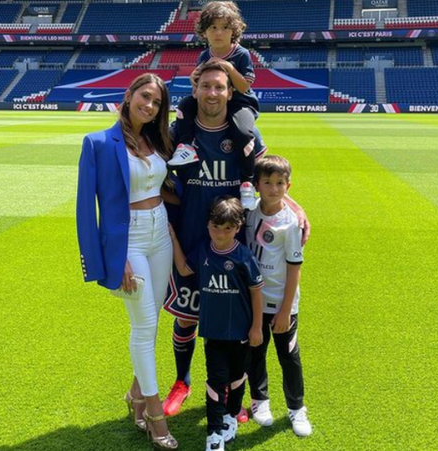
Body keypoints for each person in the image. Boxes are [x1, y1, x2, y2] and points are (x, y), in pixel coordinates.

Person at [161, 61, 311, 419]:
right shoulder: (177, 132)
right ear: (195, 90)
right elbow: (153, 177)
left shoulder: (244, 133)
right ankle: (182, 382)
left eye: (220, 87)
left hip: (235, 244)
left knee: (236, 323)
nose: (213, 94)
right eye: (206, 86)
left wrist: (293, 204)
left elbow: (269, 180)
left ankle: (232, 394)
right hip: (191, 235)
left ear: (230, 92)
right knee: (186, 316)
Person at [76, 73, 178, 450]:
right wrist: (110, 259)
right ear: (129, 94)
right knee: (144, 324)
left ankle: (135, 395)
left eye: (156, 102)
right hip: (129, 239)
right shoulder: (98, 143)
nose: (149, 106)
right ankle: (154, 413)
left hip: (160, 231)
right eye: (144, 97)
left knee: (151, 325)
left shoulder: (156, 139)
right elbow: (87, 211)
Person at [169, 195, 264, 451]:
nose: (220, 234)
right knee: (215, 380)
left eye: (228, 228)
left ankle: (231, 416)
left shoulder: (243, 256)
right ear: (207, 224)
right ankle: (213, 433)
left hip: (240, 332)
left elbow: (257, 292)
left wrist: (256, 327)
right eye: (215, 227)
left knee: (236, 378)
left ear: (238, 227)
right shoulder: (202, 250)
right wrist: (174, 239)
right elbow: (184, 268)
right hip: (213, 333)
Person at [168, 0, 259, 211]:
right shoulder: (204, 55)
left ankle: (246, 182)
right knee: (185, 105)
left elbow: (244, 87)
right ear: (205, 32)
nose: (219, 33)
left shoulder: (241, 54)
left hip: (240, 103)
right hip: (215, 100)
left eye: (225, 28)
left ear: (234, 31)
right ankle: (186, 146)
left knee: (244, 132)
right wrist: (194, 79)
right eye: (213, 28)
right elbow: (199, 80)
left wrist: (228, 67)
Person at [245, 155, 312, 437]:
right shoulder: (248, 212)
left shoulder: (291, 222)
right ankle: (260, 401)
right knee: (255, 353)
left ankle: (297, 408)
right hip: (253, 303)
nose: (274, 188)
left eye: (280, 183)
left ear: (288, 185)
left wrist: (285, 310)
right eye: (268, 182)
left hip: (282, 304)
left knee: (289, 357)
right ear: (257, 185)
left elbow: (294, 268)